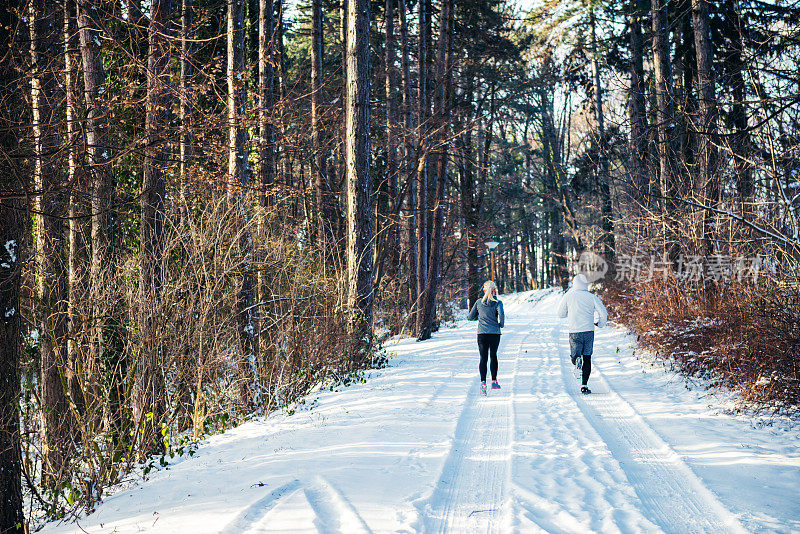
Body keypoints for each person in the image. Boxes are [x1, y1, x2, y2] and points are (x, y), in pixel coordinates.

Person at [556, 273, 608, 394]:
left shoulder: (568, 296)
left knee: (575, 355)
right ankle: (584, 385)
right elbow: (603, 313)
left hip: (574, 331)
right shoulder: (591, 297)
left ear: (574, 283)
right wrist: (600, 324)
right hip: (589, 331)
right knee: (588, 357)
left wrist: (570, 313)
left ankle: (576, 360)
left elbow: (560, 314)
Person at [468, 280, 505, 396]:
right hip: (495, 333)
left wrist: (480, 317)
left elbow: (470, 317)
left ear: (484, 290)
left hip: (482, 334)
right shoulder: (498, 303)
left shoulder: (479, 302)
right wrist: (501, 325)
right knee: (493, 355)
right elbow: (502, 315)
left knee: (483, 358)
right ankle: (494, 381)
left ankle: (483, 384)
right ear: (494, 290)